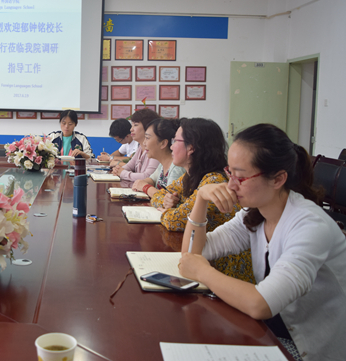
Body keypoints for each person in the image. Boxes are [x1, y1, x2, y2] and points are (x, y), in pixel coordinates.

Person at [178, 124, 346, 361]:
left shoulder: (310, 226)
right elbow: (192, 252)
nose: (231, 185)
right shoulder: (255, 213)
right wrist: (201, 199)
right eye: (229, 173)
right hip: (270, 331)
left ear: (278, 179)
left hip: (309, 348)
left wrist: (202, 272)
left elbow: (260, 304)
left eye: (241, 177)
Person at [150, 118, 253, 282]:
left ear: (191, 147)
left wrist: (167, 211)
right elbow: (159, 195)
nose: (171, 146)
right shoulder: (190, 176)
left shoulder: (213, 181)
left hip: (225, 272)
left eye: (175, 141)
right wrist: (167, 200)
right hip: (203, 260)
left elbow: (176, 221)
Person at [132, 118, 185, 197]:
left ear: (163, 143)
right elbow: (152, 179)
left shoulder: (177, 168)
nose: (144, 143)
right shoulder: (162, 164)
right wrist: (141, 183)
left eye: (147, 138)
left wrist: (145, 187)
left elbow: (168, 198)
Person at [111, 108, 160, 182]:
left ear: (148, 128)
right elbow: (129, 166)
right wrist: (118, 170)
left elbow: (147, 176)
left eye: (135, 125)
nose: (131, 129)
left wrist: (122, 173)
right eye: (132, 125)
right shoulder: (140, 148)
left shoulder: (155, 149)